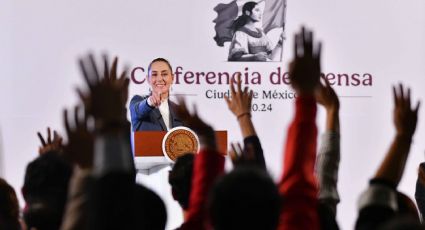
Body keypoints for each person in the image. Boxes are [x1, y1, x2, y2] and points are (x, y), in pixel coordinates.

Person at [129, 58, 183, 131]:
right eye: (154, 74)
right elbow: (137, 111)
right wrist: (149, 102)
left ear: (172, 78)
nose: (159, 79)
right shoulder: (137, 100)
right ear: (148, 79)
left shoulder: (179, 110)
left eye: (164, 74)